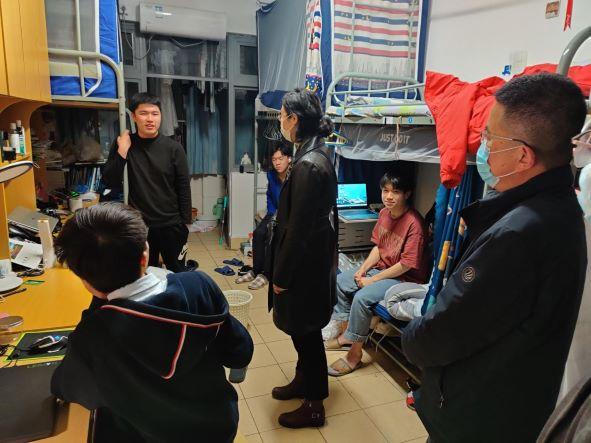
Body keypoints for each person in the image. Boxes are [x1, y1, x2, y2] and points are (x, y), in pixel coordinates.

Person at [402, 73, 588, 443]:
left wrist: (410, 337)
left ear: (522, 155)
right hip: (514, 406)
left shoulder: (517, 235)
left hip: (477, 418)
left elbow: (442, 332)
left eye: (489, 137)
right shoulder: (561, 208)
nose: (483, 145)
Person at [51, 203, 253, 442]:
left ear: (84, 280)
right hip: (217, 428)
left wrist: (97, 305)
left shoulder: (93, 336)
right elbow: (240, 352)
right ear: (145, 254)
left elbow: (67, 387)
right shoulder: (198, 286)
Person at [268, 89, 337, 429]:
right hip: (309, 263)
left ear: (294, 119)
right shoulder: (312, 152)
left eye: (282, 115)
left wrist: (281, 276)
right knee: (301, 331)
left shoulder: (310, 164)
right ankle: (302, 380)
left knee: (307, 334)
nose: (280, 121)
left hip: (303, 268)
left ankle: (314, 404)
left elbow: (298, 231)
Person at [324, 172, 429, 376]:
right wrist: (362, 269)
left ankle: (354, 356)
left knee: (362, 298)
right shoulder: (384, 214)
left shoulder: (414, 224)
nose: (388, 196)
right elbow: (379, 248)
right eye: (385, 190)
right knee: (340, 281)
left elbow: (405, 266)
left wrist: (371, 280)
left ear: (407, 194)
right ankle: (348, 336)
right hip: (382, 269)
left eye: (395, 192)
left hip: (403, 278)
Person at [103, 92, 192, 273]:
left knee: (177, 272)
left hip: (171, 224)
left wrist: (185, 223)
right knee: (143, 274)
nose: (150, 119)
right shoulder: (125, 144)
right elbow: (110, 180)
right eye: (143, 113)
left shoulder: (174, 148)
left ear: (160, 116)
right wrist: (122, 152)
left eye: (155, 113)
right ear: (134, 117)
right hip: (140, 226)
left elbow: (183, 186)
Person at [236, 141, 292, 290]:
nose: (277, 163)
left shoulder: (295, 176)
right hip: (274, 212)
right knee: (258, 233)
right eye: (274, 159)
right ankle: (256, 270)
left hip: (289, 216)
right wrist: (272, 213)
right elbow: (269, 196)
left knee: (271, 236)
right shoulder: (271, 175)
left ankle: (266, 274)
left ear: (289, 158)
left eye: (280, 159)